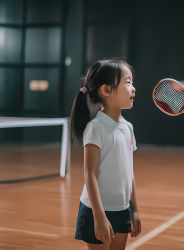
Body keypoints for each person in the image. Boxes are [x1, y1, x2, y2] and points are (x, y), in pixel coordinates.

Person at [71, 59, 141, 250]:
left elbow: (129, 173)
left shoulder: (129, 128)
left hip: (122, 209)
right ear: (107, 90)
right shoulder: (96, 128)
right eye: (128, 83)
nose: (133, 88)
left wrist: (134, 210)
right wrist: (99, 216)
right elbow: (90, 175)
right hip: (97, 211)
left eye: (132, 82)